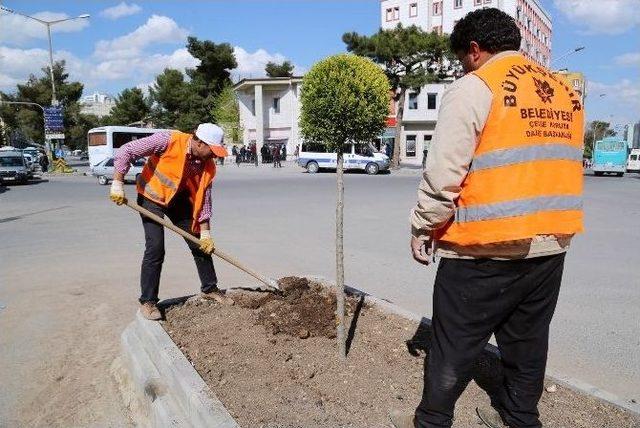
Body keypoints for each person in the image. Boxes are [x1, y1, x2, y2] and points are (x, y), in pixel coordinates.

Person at [390, 8, 584, 428]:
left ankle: (432, 421)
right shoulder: (565, 92)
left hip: (484, 246)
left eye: (463, 58)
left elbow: (444, 173)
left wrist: (423, 225)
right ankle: (519, 417)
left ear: (474, 50)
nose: (464, 66)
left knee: (454, 343)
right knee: (528, 342)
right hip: (550, 244)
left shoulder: (475, 87)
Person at [109, 123, 233, 321]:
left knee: (199, 244)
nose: (215, 156)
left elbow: (204, 198)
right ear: (199, 143)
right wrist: (117, 182)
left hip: (178, 200)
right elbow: (127, 150)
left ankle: (210, 288)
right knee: (155, 248)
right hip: (151, 198)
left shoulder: (207, 164)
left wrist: (206, 233)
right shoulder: (167, 140)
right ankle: (148, 302)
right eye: (212, 150)